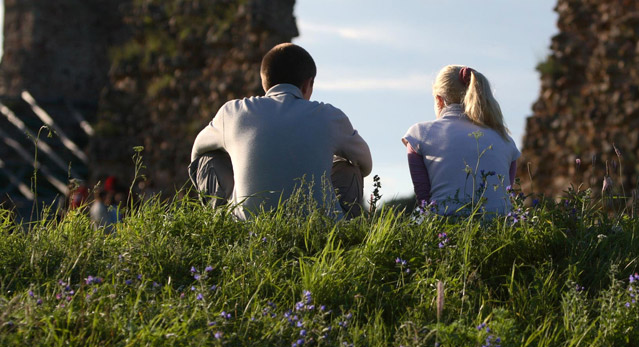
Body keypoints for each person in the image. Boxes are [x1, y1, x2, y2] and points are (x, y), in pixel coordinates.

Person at [190, 43, 372, 219]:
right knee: (349, 167)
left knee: (209, 159)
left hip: (247, 231)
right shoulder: (330, 116)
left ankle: (221, 228)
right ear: (308, 84)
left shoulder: (233, 112)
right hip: (321, 230)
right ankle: (345, 237)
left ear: (264, 82)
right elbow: (365, 163)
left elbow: (198, 152)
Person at [402, 65, 521, 216]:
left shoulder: (419, 134)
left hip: (445, 228)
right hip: (500, 230)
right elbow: (505, 194)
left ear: (439, 100)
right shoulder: (505, 139)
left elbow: (424, 201)